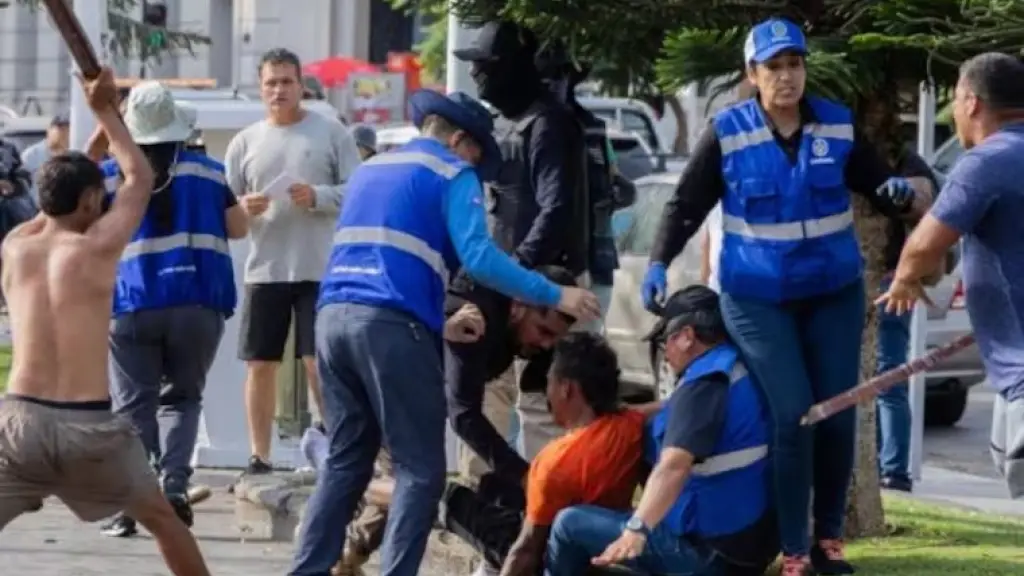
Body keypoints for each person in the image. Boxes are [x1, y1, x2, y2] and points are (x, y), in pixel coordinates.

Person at [639, 18, 932, 575]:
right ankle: (794, 548)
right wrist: (656, 262)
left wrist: (895, 193)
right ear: (752, 75)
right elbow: (684, 204)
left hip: (832, 294)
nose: (786, 76)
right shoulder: (728, 131)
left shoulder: (839, 126)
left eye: (794, 64)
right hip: (757, 300)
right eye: (773, 67)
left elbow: (881, 186)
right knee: (795, 414)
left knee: (839, 414)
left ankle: (828, 543)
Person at [289, 89, 599, 576]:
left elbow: (388, 254)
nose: (480, 168)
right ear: (459, 140)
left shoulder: (372, 169)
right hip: (390, 325)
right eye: (478, 153)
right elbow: (478, 256)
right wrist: (554, 294)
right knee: (422, 471)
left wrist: (438, 314)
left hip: (332, 319)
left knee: (349, 463)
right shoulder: (454, 172)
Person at [0, 68, 210, 575]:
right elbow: (139, 177)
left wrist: (102, 126)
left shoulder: (16, 246)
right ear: (93, 201)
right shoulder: (96, 248)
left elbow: (63, 190)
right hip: (87, 428)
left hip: (18, 424)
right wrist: (104, 113)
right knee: (163, 519)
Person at [336, 264, 584, 576]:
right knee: (420, 488)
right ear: (519, 306)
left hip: (425, 391)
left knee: (415, 487)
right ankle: (348, 492)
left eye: (555, 338)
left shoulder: (525, 333)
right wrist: (521, 473)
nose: (546, 344)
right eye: (544, 331)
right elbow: (464, 415)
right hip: (393, 384)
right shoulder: (478, 318)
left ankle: (345, 552)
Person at [92, 82, 248, 538]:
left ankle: (133, 504)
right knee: (182, 398)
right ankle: (174, 486)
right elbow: (238, 229)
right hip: (197, 302)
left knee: (133, 407)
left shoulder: (109, 175)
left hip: (133, 303)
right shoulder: (209, 173)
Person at [545, 286, 778, 576]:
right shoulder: (732, 367)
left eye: (664, 340)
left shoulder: (703, 386)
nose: (664, 352)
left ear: (687, 336)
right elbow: (675, 414)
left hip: (709, 558)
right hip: (746, 548)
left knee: (568, 524)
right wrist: (626, 415)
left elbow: (674, 466)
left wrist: (636, 529)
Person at [879, 52, 1024, 501]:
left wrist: (904, 279)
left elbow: (926, 243)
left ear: (972, 102)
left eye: (956, 101)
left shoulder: (987, 161)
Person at [455, 19, 592, 461]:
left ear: (511, 67)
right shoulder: (501, 125)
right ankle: (483, 503)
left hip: (547, 286)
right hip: (504, 280)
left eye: (485, 65)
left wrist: (518, 272)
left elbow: (555, 209)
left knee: (544, 400)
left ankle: (544, 504)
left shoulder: (548, 124)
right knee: (485, 391)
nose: (477, 75)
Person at [225, 48, 362, 474]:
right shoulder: (244, 141)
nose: (279, 90)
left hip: (318, 267)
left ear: (301, 85)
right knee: (259, 361)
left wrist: (318, 196)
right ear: (260, 87)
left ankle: (334, 447)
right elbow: (228, 210)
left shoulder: (330, 131)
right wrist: (244, 206)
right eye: (271, 82)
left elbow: (357, 188)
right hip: (265, 267)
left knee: (318, 361)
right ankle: (259, 455)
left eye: (287, 81)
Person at [860, 103, 937, 493]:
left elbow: (927, 201)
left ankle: (894, 471)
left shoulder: (907, 162)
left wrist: (908, 196)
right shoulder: (843, 154)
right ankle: (876, 466)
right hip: (850, 280)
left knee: (889, 375)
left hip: (892, 281)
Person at [537, 42, 638, 332]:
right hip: (541, 264)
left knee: (583, 352)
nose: (554, 84)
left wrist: (614, 192)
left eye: (560, 76)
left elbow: (616, 182)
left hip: (594, 260)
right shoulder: (526, 128)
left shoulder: (592, 128)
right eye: (548, 77)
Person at [19, 113, 70, 186]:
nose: (63, 133)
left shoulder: (74, 157)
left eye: (67, 129)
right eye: (60, 128)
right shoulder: (32, 155)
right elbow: (22, 186)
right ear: (49, 130)